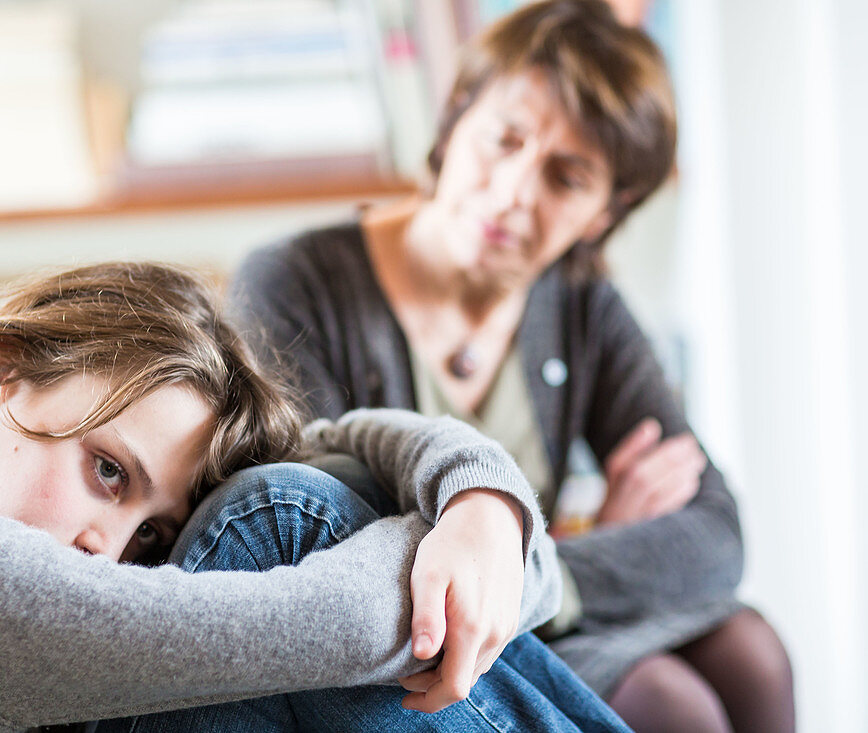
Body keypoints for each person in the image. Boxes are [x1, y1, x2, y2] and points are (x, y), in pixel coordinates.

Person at [228, 1, 795, 731]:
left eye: (566, 177)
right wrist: (573, 549)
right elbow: (320, 534)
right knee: (670, 703)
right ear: (456, 116)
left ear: (604, 213)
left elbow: (715, 532)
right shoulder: (295, 280)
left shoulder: (582, 305)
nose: (514, 191)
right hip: (399, 654)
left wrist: (534, 574)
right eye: (504, 139)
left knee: (752, 651)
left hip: (534, 621)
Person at [0, 261, 628, 732]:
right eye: (108, 470)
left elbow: (349, 451)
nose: (108, 545)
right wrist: (474, 545)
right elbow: (348, 627)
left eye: (153, 534)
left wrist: (481, 509)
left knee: (302, 496)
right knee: (279, 517)